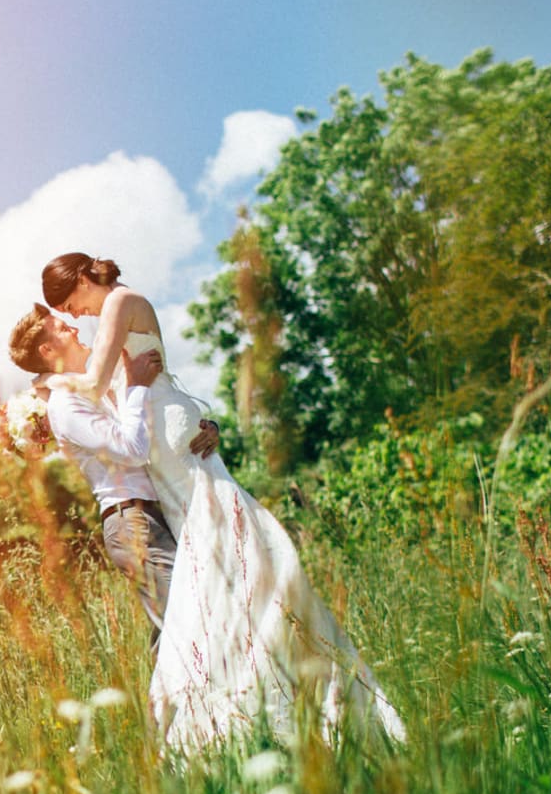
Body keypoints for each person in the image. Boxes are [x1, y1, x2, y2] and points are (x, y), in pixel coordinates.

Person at [37, 252, 406, 749]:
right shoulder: (114, 311)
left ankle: (251, 702)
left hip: (170, 443)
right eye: (63, 309)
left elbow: (99, 382)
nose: (74, 313)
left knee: (223, 559)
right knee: (216, 568)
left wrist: (49, 384)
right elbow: (112, 399)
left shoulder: (120, 301)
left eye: (69, 300)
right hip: (165, 447)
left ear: (83, 278)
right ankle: (258, 693)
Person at [6, 303, 217, 648]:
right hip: (133, 522)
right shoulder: (65, 406)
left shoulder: (94, 390)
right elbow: (132, 450)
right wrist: (136, 385)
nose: (73, 329)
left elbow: (154, 431)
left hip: (160, 511)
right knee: (188, 620)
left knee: (188, 620)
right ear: (47, 350)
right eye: (61, 328)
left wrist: (204, 428)